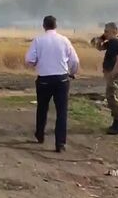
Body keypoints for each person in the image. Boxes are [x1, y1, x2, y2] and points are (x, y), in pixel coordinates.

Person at [25, 16, 79, 153]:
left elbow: (29, 59)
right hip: (61, 79)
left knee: (42, 108)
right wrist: (72, 72)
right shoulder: (64, 40)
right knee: (62, 112)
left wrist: (37, 65)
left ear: (44, 26)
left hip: (44, 79)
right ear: (56, 26)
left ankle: (40, 135)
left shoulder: (38, 40)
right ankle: (60, 143)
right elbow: (75, 61)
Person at [94, 22, 118, 135]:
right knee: (110, 97)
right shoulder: (111, 43)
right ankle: (116, 122)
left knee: (112, 97)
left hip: (116, 74)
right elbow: (99, 47)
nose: (105, 33)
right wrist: (100, 39)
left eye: (107, 31)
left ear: (115, 31)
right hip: (111, 74)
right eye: (104, 31)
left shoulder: (117, 43)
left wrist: (113, 73)